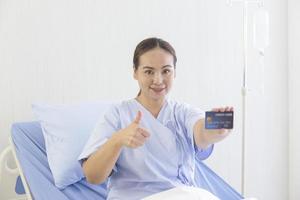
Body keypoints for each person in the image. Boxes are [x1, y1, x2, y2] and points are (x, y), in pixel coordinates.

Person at [78, 37, 233, 200]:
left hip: (180, 195)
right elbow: (92, 176)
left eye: (166, 71)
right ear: (135, 72)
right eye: (149, 71)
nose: (158, 80)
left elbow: (201, 133)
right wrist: (117, 140)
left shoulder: (182, 112)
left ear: (175, 72)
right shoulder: (118, 114)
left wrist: (216, 129)